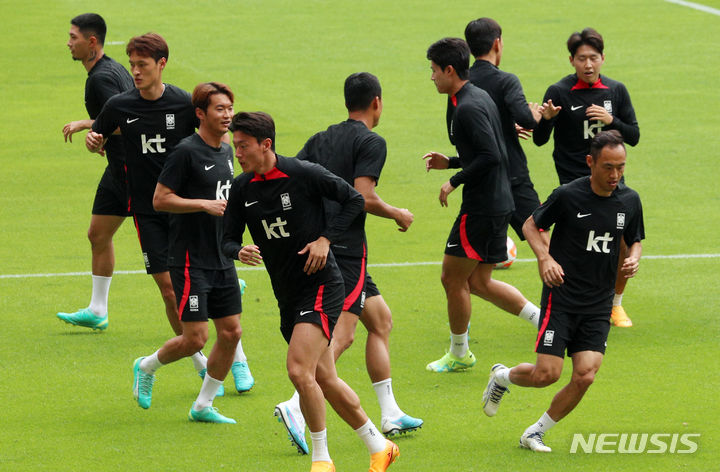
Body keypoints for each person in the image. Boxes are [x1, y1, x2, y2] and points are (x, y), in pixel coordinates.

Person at [222, 112, 399, 472]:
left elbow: (353, 199)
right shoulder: (242, 188)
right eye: (234, 145)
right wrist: (237, 250)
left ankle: (321, 459)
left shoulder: (302, 173)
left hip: (322, 285)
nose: (237, 152)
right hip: (286, 293)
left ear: (265, 144)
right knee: (324, 377)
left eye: (243, 146)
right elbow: (225, 238)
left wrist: (325, 239)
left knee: (298, 370)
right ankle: (379, 446)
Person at [86, 33, 252, 394]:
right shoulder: (118, 104)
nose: (135, 72)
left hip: (191, 213)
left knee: (218, 296)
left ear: (161, 64)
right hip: (148, 210)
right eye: (131, 65)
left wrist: (226, 172)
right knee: (168, 291)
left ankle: (237, 359)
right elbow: (98, 133)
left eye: (142, 65)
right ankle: (200, 361)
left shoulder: (182, 103)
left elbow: (213, 136)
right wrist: (94, 140)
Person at [272, 72, 422, 455]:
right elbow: (364, 196)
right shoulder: (371, 141)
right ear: (377, 102)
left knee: (381, 319)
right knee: (341, 335)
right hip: (345, 250)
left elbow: (292, 179)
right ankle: (296, 406)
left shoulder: (321, 138)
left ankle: (389, 412)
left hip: (322, 242)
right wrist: (398, 214)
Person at [482, 130, 644, 452]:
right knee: (547, 374)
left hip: (598, 303)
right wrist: (545, 258)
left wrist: (634, 259)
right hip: (563, 297)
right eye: (608, 167)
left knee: (585, 375)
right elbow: (531, 224)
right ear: (590, 163)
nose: (615, 175)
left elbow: (634, 239)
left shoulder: (629, 200)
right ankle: (501, 377)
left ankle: (534, 433)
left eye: (621, 167)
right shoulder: (569, 195)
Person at [130, 82, 247, 422]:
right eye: (219, 109)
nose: (227, 115)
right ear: (200, 114)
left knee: (231, 332)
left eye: (229, 108)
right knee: (195, 338)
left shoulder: (227, 151)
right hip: (188, 259)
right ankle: (146, 366)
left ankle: (203, 405)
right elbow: (160, 199)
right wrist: (202, 204)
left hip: (220, 257)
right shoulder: (186, 152)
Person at [422, 38, 540, 373]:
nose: (431, 77)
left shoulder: (468, 107)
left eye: (433, 70)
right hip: (498, 202)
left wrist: (454, 181)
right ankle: (545, 322)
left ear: (449, 70)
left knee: (451, 277)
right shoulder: (475, 96)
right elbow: (491, 149)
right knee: (479, 283)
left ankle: (459, 352)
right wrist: (453, 162)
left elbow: (492, 156)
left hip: (481, 207)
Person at [533, 27, 640, 327]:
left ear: (603, 58)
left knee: (621, 244)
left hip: (611, 181)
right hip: (573, 183)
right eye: (582, 59)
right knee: (572, 245)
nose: (588, 65)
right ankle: (565, 304)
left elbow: (633, 135)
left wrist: (612, 121)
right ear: (572, 60)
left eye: (593, 58)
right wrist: (547, 120)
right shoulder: (559, 92)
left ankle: (614, 304)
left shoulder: (616, 91)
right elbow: (540, 140)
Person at [56, 13, 134, 330]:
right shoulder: (111, 68)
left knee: (168, 246)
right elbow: (120, 113)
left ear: (92, 42)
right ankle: (97, 309)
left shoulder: (100, 79)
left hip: (133, 171)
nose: (68, 42)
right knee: (98, 234)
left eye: (73, 37)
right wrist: (92, 126)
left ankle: (218, 282)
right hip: (116, 169)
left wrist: (96, 132)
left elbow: (128, 124)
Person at [464, 18, 545, 243]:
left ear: (470, 48)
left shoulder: (463, 84)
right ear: (497, 43)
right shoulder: (506, 81)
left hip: (479, 180)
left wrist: (504, 128)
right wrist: (536, 116)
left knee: (479, 253)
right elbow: (525, 118)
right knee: (543, 242)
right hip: (512, 176)